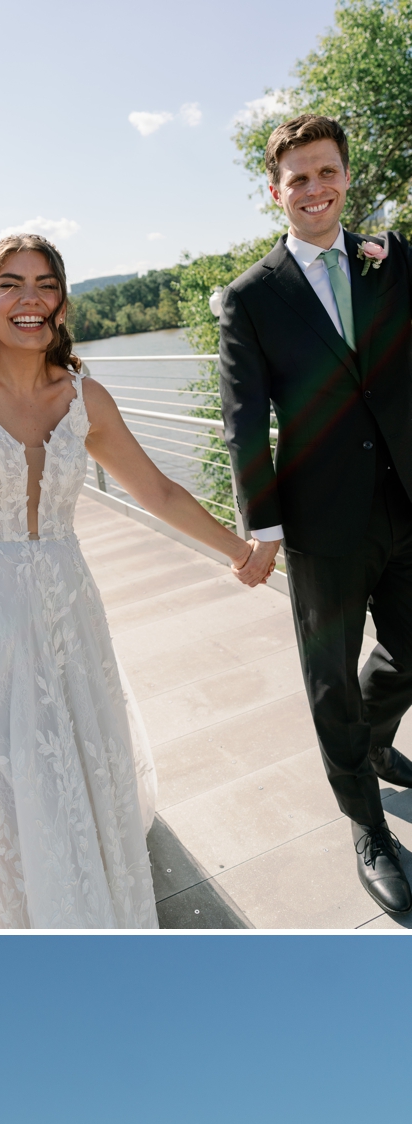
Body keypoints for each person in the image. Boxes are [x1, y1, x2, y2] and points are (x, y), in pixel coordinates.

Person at [0, 233, 265, 930]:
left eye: (44, 284)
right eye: (11, 284)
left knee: (64, 759)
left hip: (68, 610)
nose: (29, 298)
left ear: (62, 304)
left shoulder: (84, 397)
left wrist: (238, 550)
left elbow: (157, 491)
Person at [219, 114, 412, 917]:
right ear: (276, 191)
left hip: (408, 499)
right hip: (320, 523)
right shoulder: (250, 298)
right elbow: (243, 419)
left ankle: (369, 743)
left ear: (344, 175)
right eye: (298, 177)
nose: (315, 188)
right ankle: (367, 828)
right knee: (328, 679)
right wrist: (261, 528)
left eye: (326, 171)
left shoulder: (392, 259)